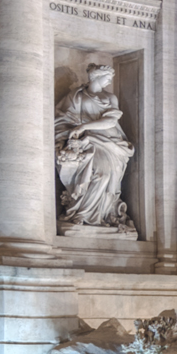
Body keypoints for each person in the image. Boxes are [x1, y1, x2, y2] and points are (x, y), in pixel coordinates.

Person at [55, 64, 135, 232]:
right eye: (107, 77)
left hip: (109, 141)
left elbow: (111, 121)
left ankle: (104, 215)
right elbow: (62, 118)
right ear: (96, 77)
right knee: (101, 174)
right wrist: (76, 132)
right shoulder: (76, 96)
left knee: (110, 177)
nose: (109, 80)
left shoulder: (110, 97)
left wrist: (83, 127)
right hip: (87, 142)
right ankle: (83, 214)